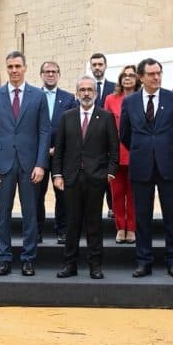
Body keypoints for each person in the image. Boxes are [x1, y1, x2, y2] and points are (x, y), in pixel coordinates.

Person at [0, 51, 50, 277]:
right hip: (2, 165)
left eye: (17, 66)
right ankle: (4, 258)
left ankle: (28, 259)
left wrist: (41, 164)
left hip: (30, 165)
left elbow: (44, 132)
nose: (14, 70)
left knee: (30, 214)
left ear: (25, 68)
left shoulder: (38, 96)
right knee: (3, 214)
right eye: (10, 66)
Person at [120, 58, 173, 278]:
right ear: (141, 77)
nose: (156, 77)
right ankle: (143, 260)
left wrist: (166, 149)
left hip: (168, 165)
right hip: (141, 166)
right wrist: (144, 149)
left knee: (172, 216)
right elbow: (125, 135)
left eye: (159, 73)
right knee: (142, 216)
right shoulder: (130, 102)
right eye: (151, 74)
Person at [52, 76, 118, 280]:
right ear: (77, 94)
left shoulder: (105, 117)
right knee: (72, 224)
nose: (86, 93)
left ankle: (95, 266)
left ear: (96, 94)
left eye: (90, 90)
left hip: (96, 179)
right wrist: (57, 174)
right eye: (82, 90)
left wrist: (109, 173)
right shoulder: (67, 117)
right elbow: (59, 149)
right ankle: (69, 265)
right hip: (71, 179)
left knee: (94, 224)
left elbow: (114, 149)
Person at [38, 61, 77, 244]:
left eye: (54, 71)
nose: (50, 74)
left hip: (61, 156)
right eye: (47, 71)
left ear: (59, 75)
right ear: (41, 75)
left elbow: (73, 127)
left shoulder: (69, 99)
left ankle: (62, 230)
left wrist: (57, 148)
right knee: (36, 195)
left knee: (62, 195)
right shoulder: (33, 96)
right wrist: (42, 148)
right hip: (38, 155)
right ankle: (36, 230)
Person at [103, 65, 139, 244]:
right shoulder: (111, 99)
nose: (127, 78)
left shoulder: (141, 98)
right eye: (124, 75)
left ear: (137, 79)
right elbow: (105, 125)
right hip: (115, 152)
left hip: (136, 152)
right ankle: (120, 227)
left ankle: (131, 228)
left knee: (133, 193)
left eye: (131, 75)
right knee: (116, 193)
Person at [89, 52, 116, 216]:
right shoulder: (85, 87)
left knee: (110, 175)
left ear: (105, 66)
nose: (97, 67)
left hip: (109, 137)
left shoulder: (114, 87)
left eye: (100, 64)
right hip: (90, 139)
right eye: (94, 65)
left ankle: (112, 208)